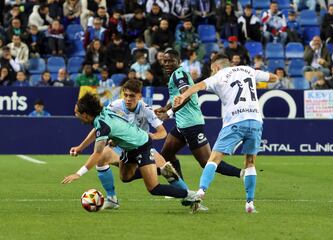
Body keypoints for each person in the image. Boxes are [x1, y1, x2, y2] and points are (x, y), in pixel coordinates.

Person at [173, 54, 278, 213]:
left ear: (216, 67)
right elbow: (274, 78)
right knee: (250, 162)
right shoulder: (249, 70)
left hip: (235, 121)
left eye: (211, 69)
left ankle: (201, 191)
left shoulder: (218, 76)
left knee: (213, 159)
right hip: (255, 121)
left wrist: (182, 96)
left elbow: (197, 86)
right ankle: (250, 204)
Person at [62, 92, 201, 207]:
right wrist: (81, 147)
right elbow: (96, 130)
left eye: (77, 113)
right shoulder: (102, 114)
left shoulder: (103, 123)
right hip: (129, 148)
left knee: (154, 188)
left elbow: (97, 153)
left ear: (85, 114)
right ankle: (158, 170)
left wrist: (78, 174)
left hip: (141, 146)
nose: (76, 115)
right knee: (125, 177)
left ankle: (190, 195)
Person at [155, 49, 243, 183]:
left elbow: (186, 96)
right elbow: (177, 96)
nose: (166, 64)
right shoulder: (177, 74)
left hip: (191, 125)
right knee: (166, 155)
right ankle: (180, 188)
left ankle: (243, 173)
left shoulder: (178, 74)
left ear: (178, 62)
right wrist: (166, 107)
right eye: (164, 61)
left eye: (170, 61)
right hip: (182, 124)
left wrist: (168, 113)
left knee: (207, 162)